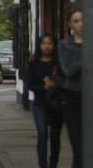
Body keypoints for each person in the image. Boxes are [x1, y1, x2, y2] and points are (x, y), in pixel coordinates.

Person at [27, 34, 63, 168]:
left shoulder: (58, 64)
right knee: (42, 134)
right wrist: (44, 86)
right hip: (40, 104)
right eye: (43, 43)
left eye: (50, 43)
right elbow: (30, 85)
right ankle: (43, 165)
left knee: (55, 136)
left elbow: (64, 82)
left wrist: (54, 85)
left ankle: (53, 164)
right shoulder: (33, 64)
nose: (46, 46)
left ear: (54, 46)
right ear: (39, 46)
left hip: (56, 104)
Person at [59, 3, 83, 168]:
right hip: (73, 98)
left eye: (83, 19)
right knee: (79, 148)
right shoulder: (65, 45)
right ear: (70, 24)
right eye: (76, 20)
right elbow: (69, 71)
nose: (81, 23)